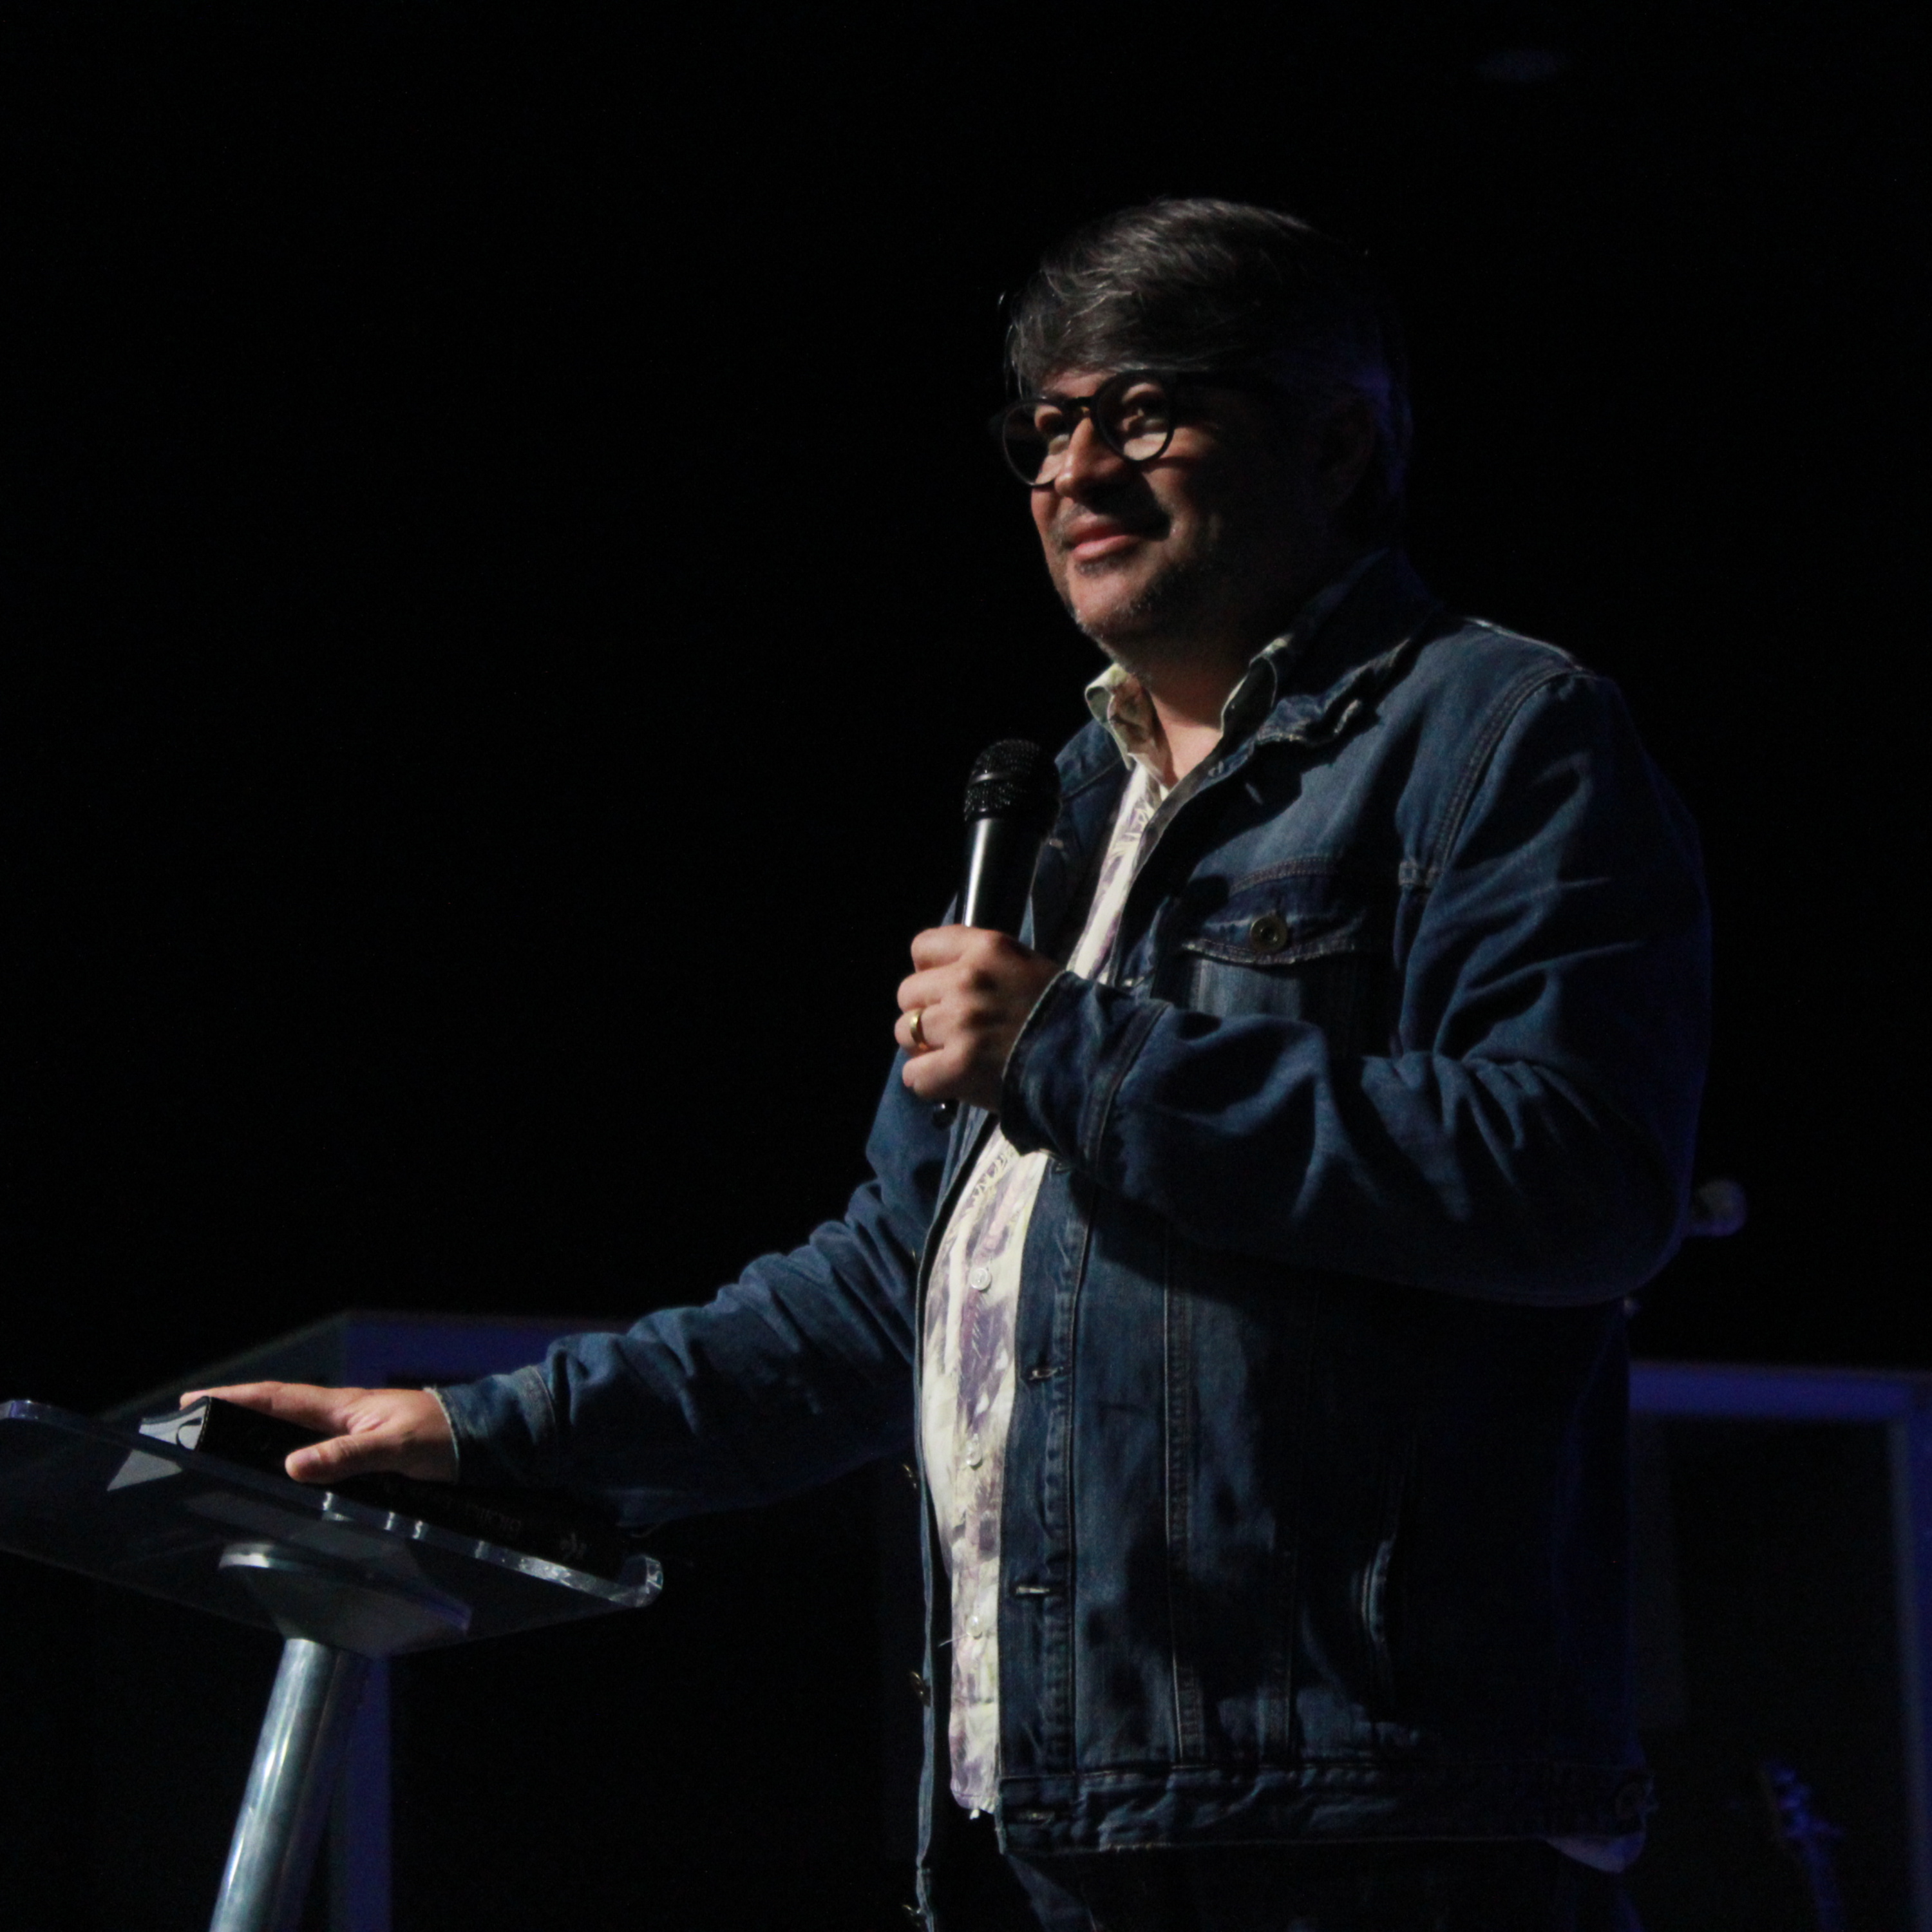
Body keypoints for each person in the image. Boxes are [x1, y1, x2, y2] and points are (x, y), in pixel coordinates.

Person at [195, 199, 1709, 1930]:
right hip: (1043, 1831)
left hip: (1373, 1832)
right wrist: (472, 1433)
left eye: (1147, 412)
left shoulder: (1503, 734)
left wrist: (1074, 1047)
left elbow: (1578, 1178)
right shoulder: (1067, 816)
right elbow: (885, 1299)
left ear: (1339, 442)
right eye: (1045, 428)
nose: (1078, 471)